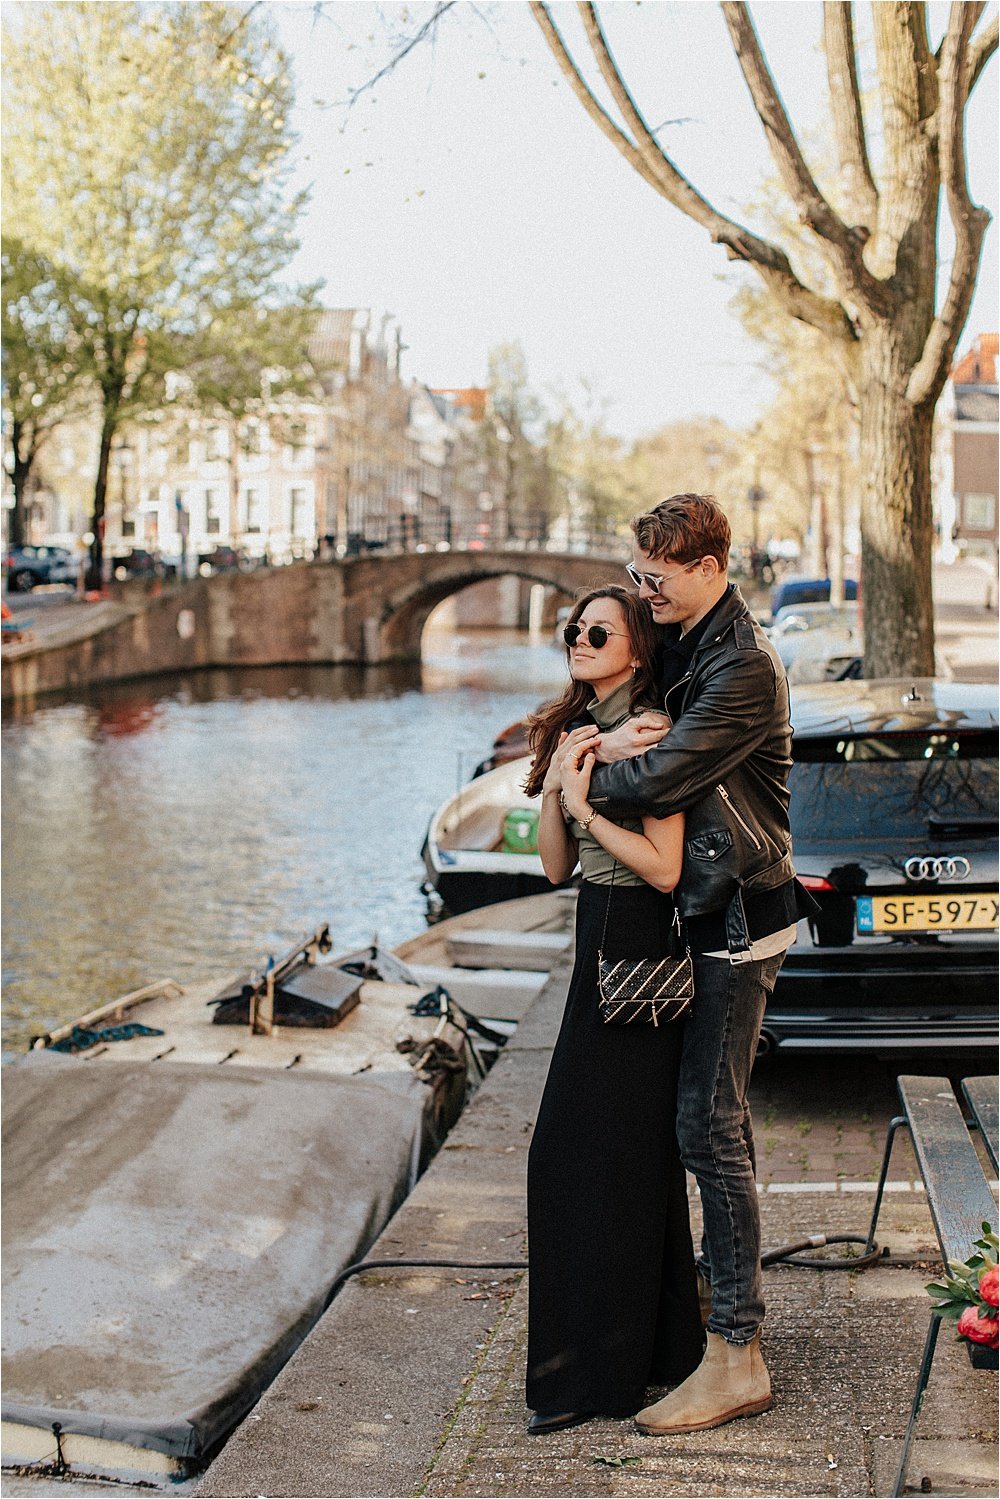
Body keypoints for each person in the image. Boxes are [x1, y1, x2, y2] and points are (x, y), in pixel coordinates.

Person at [578, 494, 816, 1437]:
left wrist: (579, 773)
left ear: (712, 566)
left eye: (657, 579)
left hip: (739, 918)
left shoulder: (744, 668)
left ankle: (736, 1355)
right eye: (636, 575)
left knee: (708, 1128)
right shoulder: (691, 641)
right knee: (719, 1125)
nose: (645, 593)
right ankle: (719, 1334)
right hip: (708, 911)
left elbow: (666, 775)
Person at [522, 585, 704, 1435]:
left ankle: (597, 1372)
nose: (580, 639)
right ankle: (647, 1356)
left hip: (638, 941)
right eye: (574, 629)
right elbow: (557, 867)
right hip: (596, 930)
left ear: (636, 648)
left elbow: (665, 867)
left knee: (590, 1158)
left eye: (600, 630)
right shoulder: (583, 731)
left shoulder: (654, 731)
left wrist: (591, 799)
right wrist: (564, 779)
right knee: (619, 1162)